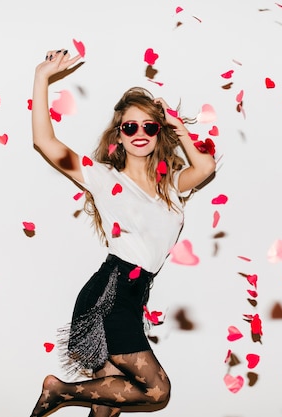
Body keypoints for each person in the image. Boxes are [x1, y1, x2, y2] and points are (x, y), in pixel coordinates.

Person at [29, 49, 216, 417]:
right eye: (131, 126)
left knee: (106, 410)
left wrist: (179, 126)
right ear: (120, 133)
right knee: (157, 391)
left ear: (159, 132)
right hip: (109, 294)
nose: (140, 133)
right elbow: (46, 143)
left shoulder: (171, 185)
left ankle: (62, 393)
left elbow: (205, 166)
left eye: (150, 126)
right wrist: (41, 78)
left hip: (132, 297)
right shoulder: (103, 178)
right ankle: (60, 391)